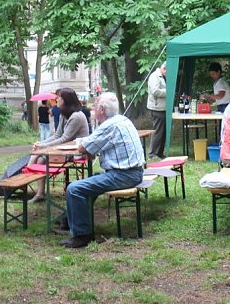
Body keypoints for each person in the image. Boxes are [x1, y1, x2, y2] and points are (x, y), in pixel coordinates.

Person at [59, 92, 146, 248]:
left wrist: (86, 147)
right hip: (134, 172)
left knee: (74, 188)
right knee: (86, 185)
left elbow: (83, 147)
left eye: (95, 106)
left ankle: (82, 235)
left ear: (102, 110)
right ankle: (70, 221)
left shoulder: (108, 126)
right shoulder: (122, 120)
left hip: (124, 175)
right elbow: (95, 145)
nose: (92, 108)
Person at [27, 88, 89, 203]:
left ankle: (26, 175)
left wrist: (43, 147)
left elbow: (65, 139)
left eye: (58, 97)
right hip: (64, 150)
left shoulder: (76, 116)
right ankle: (39, 193)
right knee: (40, 159)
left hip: (77, 153)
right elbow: (57, 135)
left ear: (66, 100)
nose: (56, 99)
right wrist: (42, 144)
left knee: (39, 156)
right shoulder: (64, 115)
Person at [146, 62, 167, 159]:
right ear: (164, 68)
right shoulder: (154, 76)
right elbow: (155, 91)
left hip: (163, 107)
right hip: (157, 108)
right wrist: (169, 91)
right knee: (158, 131)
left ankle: (159, 153)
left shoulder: (162, 76)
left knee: (163, 132)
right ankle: (152, 153)